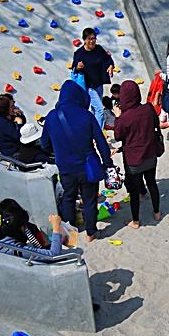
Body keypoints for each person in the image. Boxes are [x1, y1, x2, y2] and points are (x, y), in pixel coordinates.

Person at [40, 80, 114, 242]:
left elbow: (45, 145)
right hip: (88, 166)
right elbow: (101, 142)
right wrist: (108, 164)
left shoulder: (52, 117)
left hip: (66, 168)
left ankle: (70, 233)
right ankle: (90, 233)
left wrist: (60, 150)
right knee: (90, 200)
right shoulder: (86, 115)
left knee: (68, 197)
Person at [114, 80, 162, 229]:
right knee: (152, 183)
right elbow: (155, 125)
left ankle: (135, 221)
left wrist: (117, 117)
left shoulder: (124, 118)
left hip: (134, 160)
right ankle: (157, 212)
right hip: (150, 154)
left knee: (134, 191)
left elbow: (118, 136)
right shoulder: (148, 108)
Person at [72, 27, 114, 132]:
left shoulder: (99, 49)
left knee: (96, 109)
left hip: (98, 84)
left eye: (93, 38)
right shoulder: (79, 53)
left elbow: (107, 59)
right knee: (100, 109)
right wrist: (78, 67)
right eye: (89, 39)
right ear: (84, 40)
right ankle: (99, 132)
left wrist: (110, 66)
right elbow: (74, 70)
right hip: (88, 86)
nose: (92, 41)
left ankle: (92, 128)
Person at [0, 94, 24, 160]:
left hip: (18, 147)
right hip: (12, 153)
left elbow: (23, 122)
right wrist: (19, 124)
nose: (14, 107)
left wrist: (20, 116)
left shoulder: (9, 116)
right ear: (5, 109)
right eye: (12, 106)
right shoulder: (4, 123)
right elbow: (19, 137)